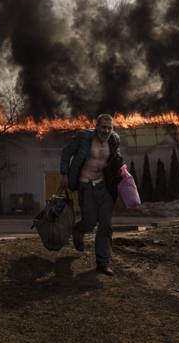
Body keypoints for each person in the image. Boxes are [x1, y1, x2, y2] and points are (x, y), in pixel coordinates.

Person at [59, 113, 124, 275]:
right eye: (103, 127)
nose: (106, 131)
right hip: (85, 186)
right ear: (96, 126)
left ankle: (102, 263)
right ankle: (78, 230)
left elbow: (116, 157)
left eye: (109, 128)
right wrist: (64, 174)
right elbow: (66, 152)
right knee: (89, 222)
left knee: (106, 225)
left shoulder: (114, 140)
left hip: (104, 187)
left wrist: (120, 168)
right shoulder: (84, 137)